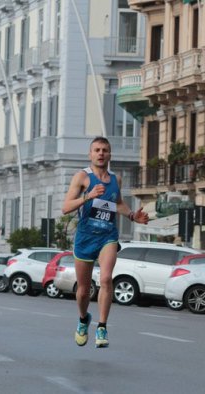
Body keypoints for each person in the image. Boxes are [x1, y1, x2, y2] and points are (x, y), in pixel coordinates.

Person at [62, 137, 148, 348]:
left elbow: (117, 203)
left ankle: (102, 326)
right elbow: (65, 207)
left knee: (107, 278)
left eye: (105, 150)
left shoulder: (115, 180)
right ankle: (83, 319)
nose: (101, 153)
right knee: (83, 290)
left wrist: (131, 216)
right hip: (85, 237)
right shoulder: (82, 177)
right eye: (97, 150)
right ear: (90, 154)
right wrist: (88, 196)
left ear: (110, 155)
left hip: (107, 235)